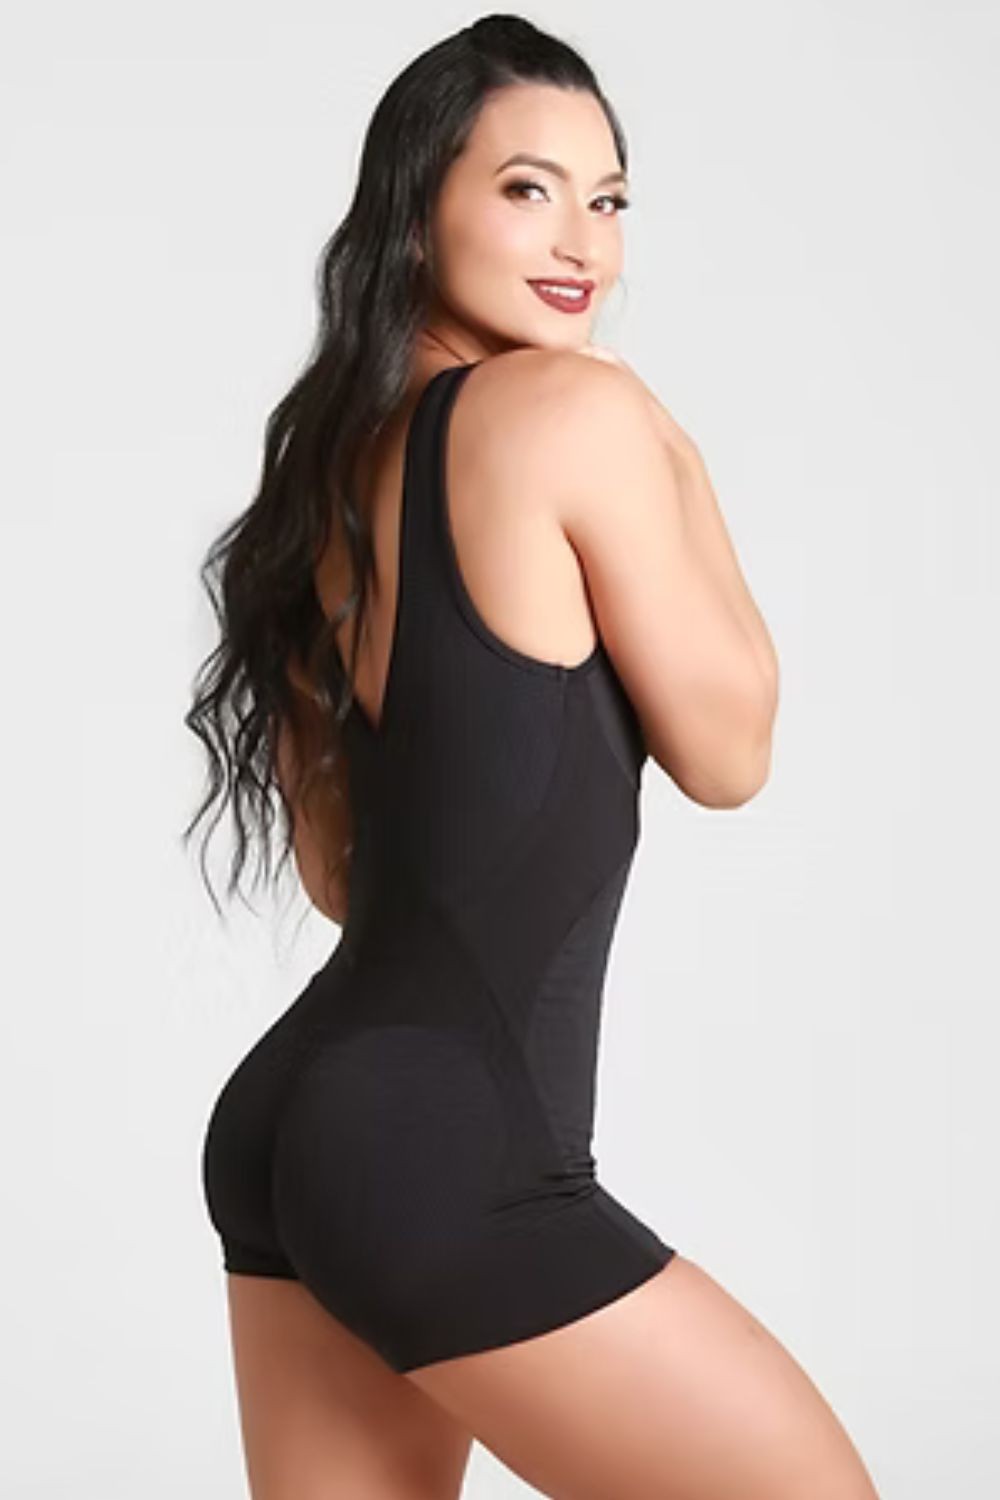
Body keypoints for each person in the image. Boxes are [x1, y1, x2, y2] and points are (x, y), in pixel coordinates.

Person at [184, 14, 881, 1499]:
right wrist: (667, 444)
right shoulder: (577, 410)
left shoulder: (331, 476)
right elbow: (730, 750)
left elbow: (344, 875)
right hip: (451, 1153)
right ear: (416, 208)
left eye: (608, 199)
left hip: (296, 1122)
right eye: (527, 189)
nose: (583, 243)